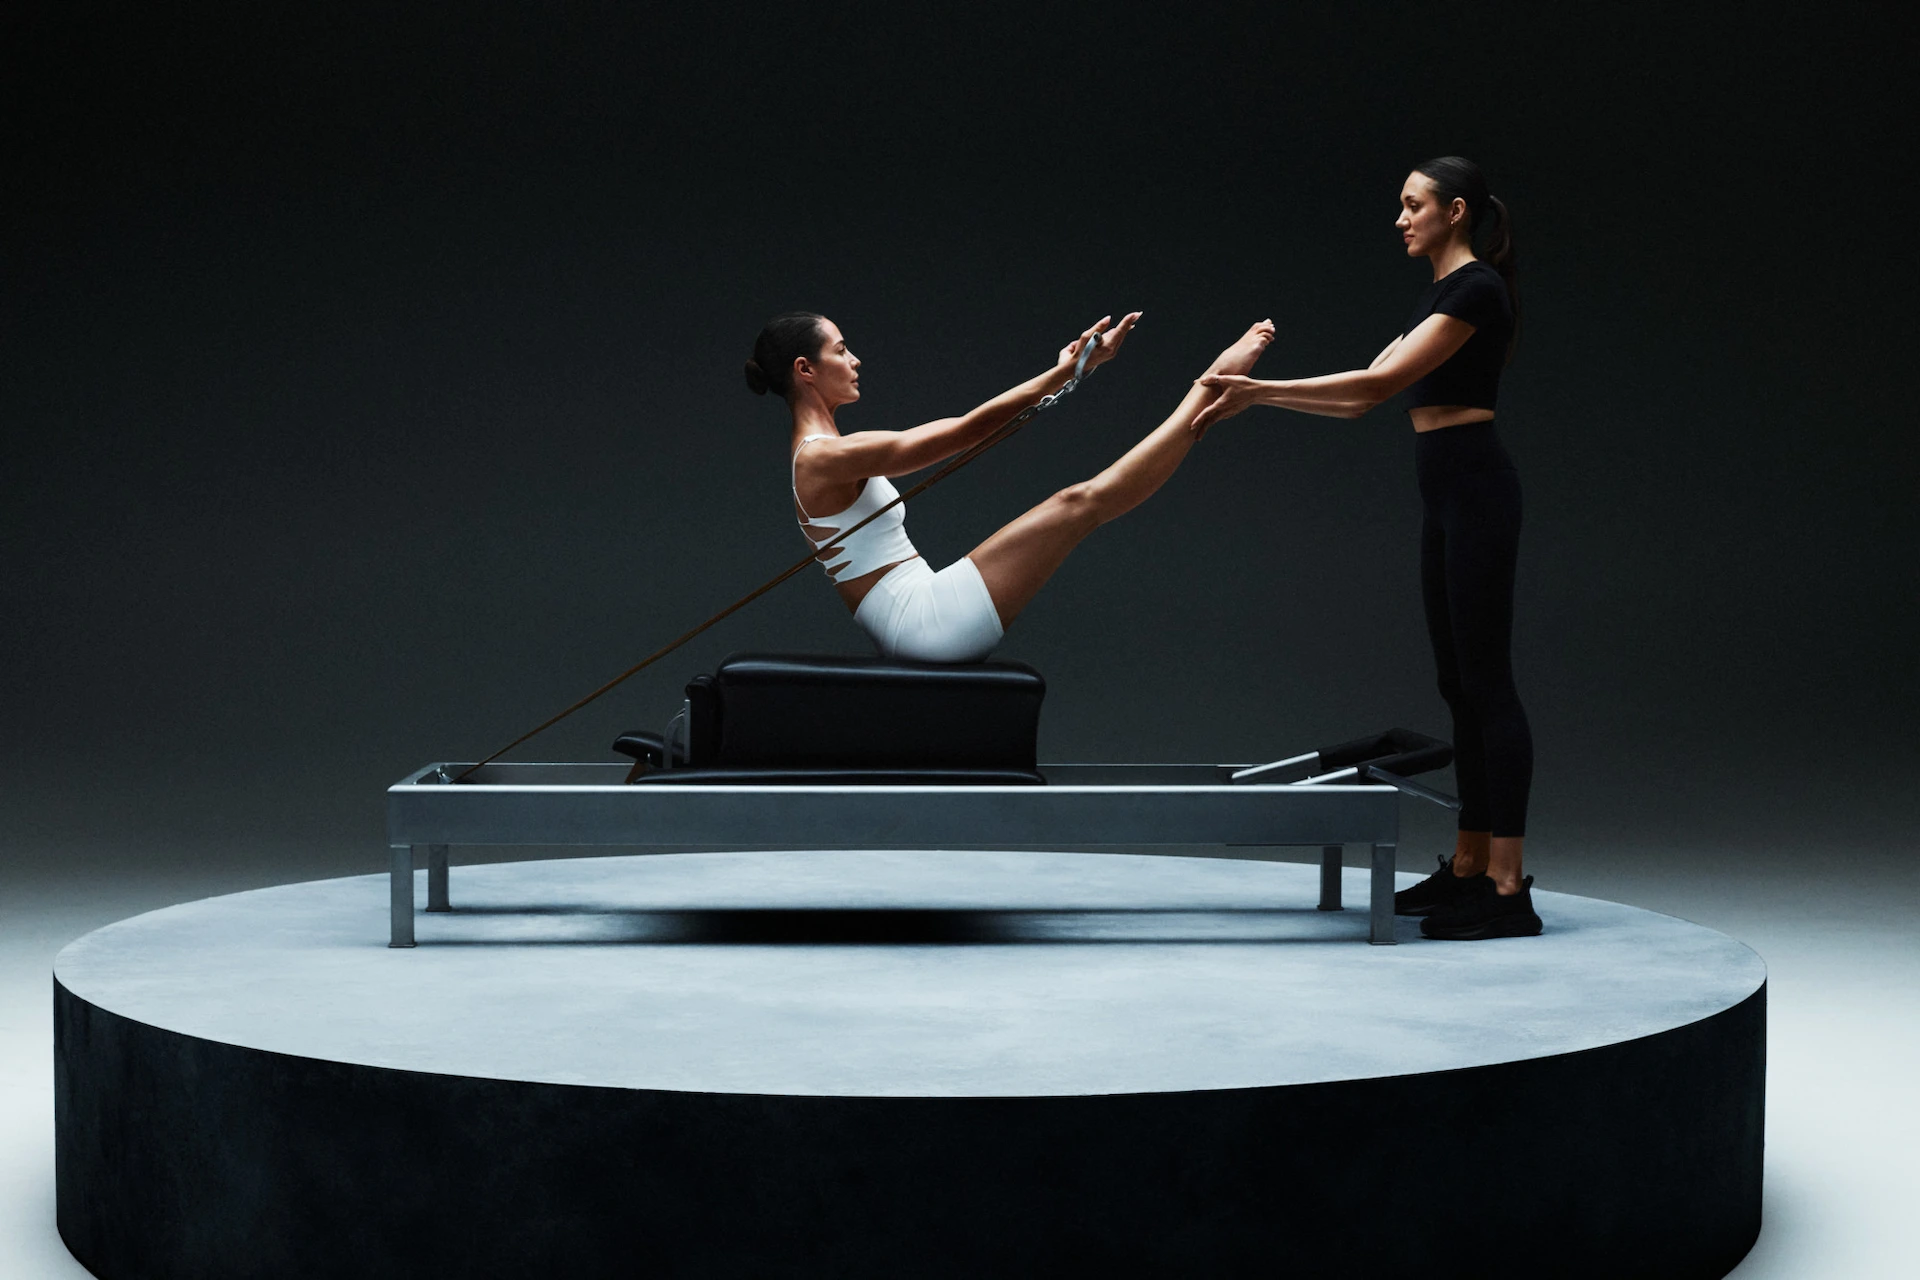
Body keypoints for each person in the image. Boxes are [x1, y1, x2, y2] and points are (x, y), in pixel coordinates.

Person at [1190, 156, 1539, 941]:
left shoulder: (1476, 288)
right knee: (1457, 682)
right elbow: (1358, 397)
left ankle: (1510, 887)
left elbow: (1375, 388)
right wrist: (1261, 400)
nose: (1400, 218)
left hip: (1479, 490)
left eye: (1413, 205)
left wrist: (1259, 392)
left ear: (1455, 212)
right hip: (1447, 495)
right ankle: (1469, 865)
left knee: (1488, 684)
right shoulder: (1439, 295)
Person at [744, 310, 1275, 664]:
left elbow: (963, 428)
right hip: (923, 624)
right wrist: (1069, 370)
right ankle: (1208, 387)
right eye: (841, 351)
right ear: (804, 369)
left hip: (918, 614)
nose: (855, 360)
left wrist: (1074, 371)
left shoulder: (824, 450)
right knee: (1076, 504)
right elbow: (965, 429)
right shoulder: (824, 457)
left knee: (1078, 505)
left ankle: (1206, 394)